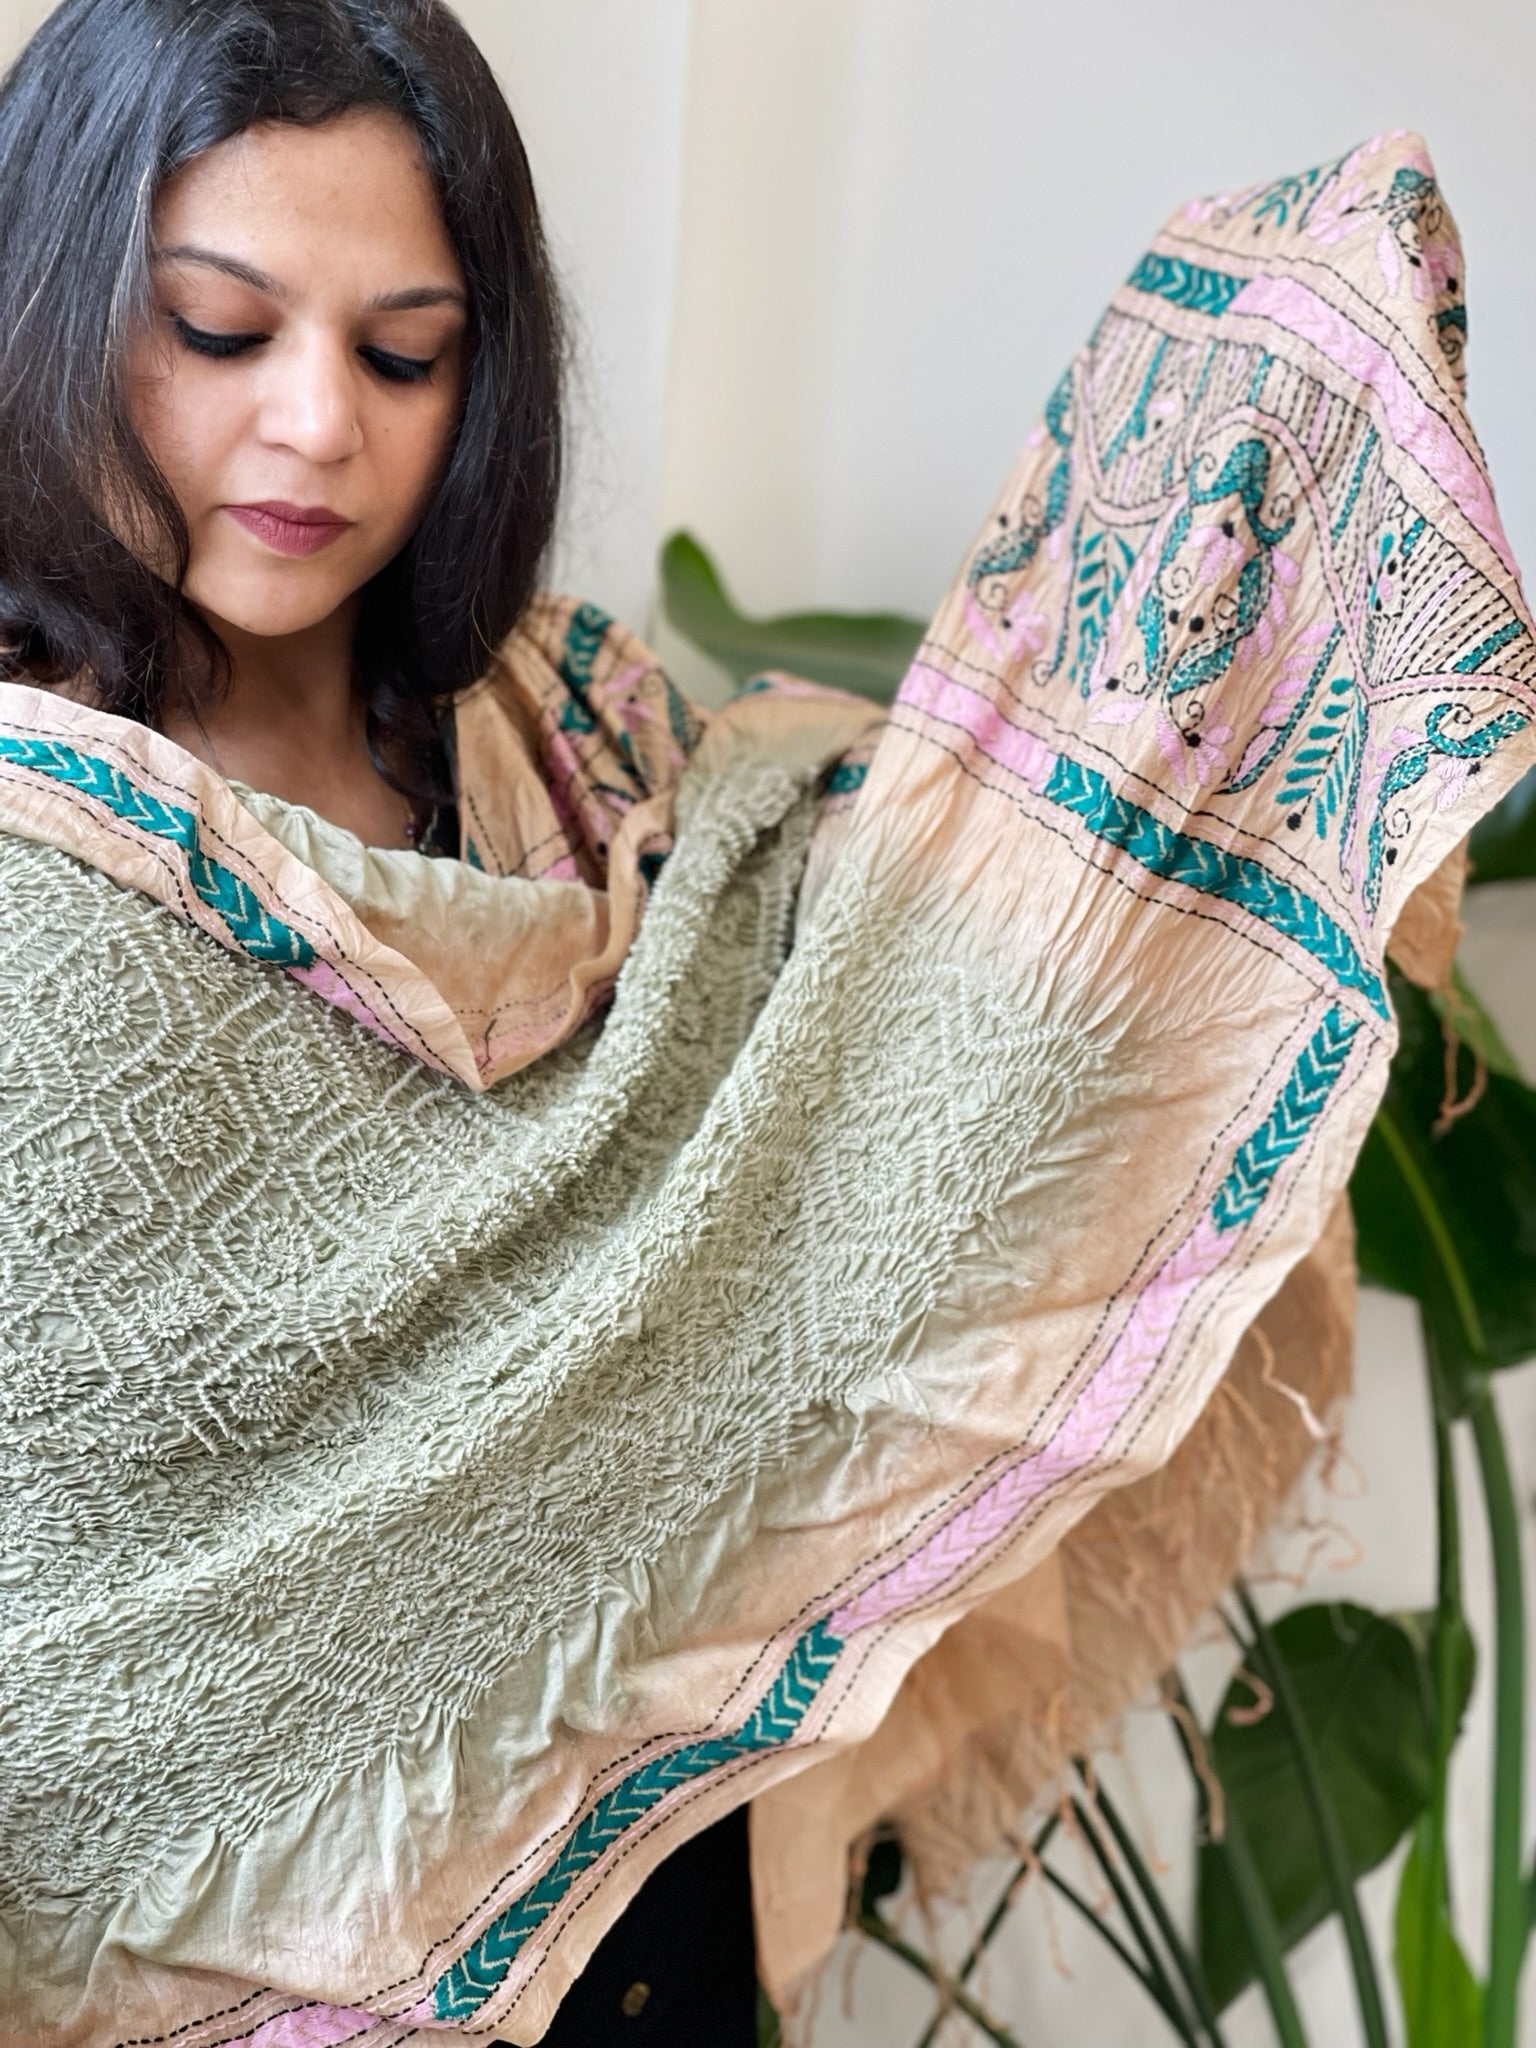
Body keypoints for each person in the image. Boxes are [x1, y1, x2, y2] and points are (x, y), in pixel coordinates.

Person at [1, 7, 1531, 2048]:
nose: (315, 430)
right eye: (216, 331)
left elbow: (921, 1068)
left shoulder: (584, 734)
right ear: (52, 296)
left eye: (401, 351)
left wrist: (1251, 511)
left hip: (650, 1888)